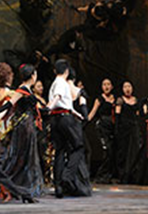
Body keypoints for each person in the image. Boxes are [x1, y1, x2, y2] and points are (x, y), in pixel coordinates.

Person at [0, 64, 45, 197]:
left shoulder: (28, 90)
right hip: (23, 126)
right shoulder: (22, 90)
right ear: (32, 76)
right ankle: (11, 184)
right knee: (19, 155)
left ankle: (24, 184)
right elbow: (9, 104)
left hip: (28, 125)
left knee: (26, 155)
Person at [48, 59, 92, 197]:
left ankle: (58, 186)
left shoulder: (54, 83)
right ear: (66, 71)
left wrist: (75, 113)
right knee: (78, 147)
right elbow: (58, 97)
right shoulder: (62, 83)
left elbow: (64, 104)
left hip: (56, 118)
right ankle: (67, 176)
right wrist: (49, 106)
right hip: (65, 119)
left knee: (60, 151)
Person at [87, 78, 117, 183]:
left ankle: (108, 176)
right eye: (104, 84)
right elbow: (92, 112)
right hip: (102, 127)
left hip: (112, 127)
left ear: (112, 86)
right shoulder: (99, 99)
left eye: (108, 84)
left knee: (112, 152)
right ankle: (100, 175)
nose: (106, 86)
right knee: (106, 150)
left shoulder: (115, 99)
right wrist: (84, 121)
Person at [115, 80, 144, 184]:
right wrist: (117, 130)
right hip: (123, 129)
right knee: (123, 152)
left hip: (134, 128)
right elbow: (117, 116)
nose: (127, 89)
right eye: (125, 87)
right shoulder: (120, 100)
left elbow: (138, 115)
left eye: (129, 86)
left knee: (134, 152)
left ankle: (133, 176)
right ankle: (123, 176)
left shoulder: (136, 100)